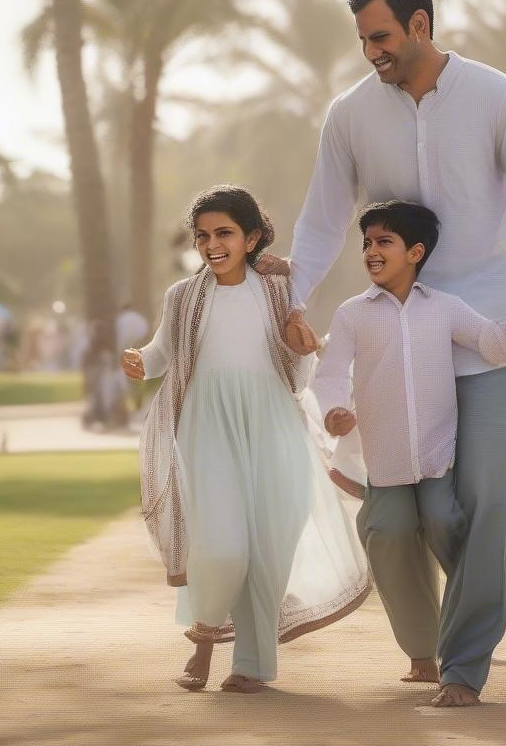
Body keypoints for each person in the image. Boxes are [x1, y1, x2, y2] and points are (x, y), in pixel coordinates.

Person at [281, 0, 506, 707]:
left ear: (419, 24)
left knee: (479, 499)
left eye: (380, 36)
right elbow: (319, 221)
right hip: (393, 342)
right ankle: (437, 635)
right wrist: (290, 299)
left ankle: (465, 663)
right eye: (363, 40)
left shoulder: (496, 95)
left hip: (484, 329)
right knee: (399, 513)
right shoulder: (348, 116)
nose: (371, 51)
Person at [122, 185, 370, 694]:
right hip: (207, 424)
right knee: (221, 545)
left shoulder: (280, 290)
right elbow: (163, 354)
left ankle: (253, 664)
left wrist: (306, 346)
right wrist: (139, 362)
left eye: (225, 233)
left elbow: (300, 368)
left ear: (252, 236)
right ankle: (204, 640)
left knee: (270, 544)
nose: (212, 244)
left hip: (274, 423)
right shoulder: (184, 297)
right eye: (203, 236)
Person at [311, 201, 506, 684]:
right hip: (385, 465)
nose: (371, 251)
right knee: (387, 534)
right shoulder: (352, 315)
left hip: (438, 459)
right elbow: (328, 374)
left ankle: (473, 605)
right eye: (366, 242)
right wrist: (333, 410)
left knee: (443, 520)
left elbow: (494, 344)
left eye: (383, 242)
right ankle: (421, 653)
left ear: (415, 252)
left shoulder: (445, 308)